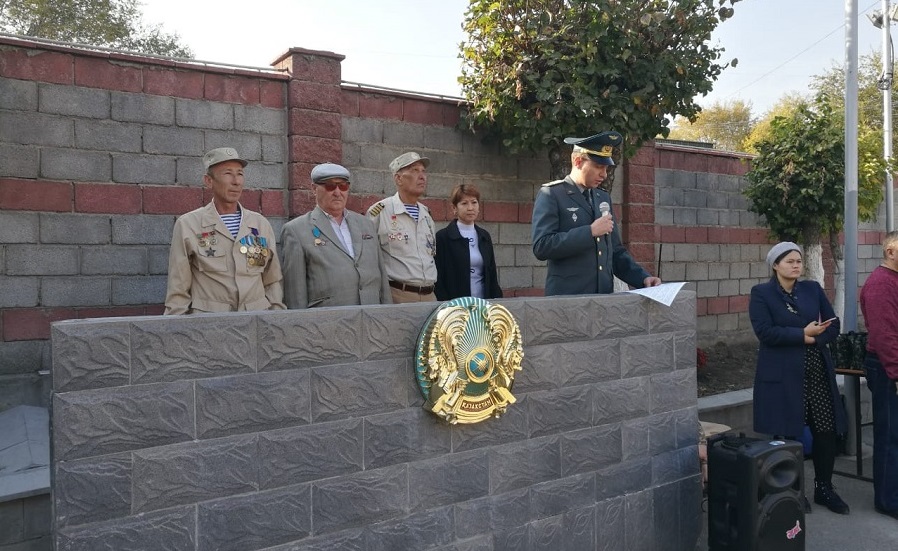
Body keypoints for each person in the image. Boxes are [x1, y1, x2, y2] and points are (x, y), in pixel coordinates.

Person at [749, 241, 849, 514]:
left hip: (816, 369)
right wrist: (803, 336)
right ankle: (792, 491)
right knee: (789, 433)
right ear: (775, 265)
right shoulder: (762, 293)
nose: (796, 265)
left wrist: (815, 340)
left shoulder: (812, 289)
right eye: (790, 261)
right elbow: (765, 332)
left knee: (825, 430)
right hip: (783, 374)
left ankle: (824, 488)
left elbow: (833, 324)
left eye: (799, 261)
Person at [531, 131, 661, 295]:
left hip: (602, 300)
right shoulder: (552, 194)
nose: (604, 174)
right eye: (599, 167)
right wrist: (590, 232)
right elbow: (542, 246)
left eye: (606, 168)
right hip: (567, 301)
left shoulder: (602, 197)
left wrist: (642, 278)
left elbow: (615, 252)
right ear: (578, 161)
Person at [164, 147, 285, 314]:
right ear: (208, 181)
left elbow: (272, 280)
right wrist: (177, 331)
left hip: (256, 320)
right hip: (211, 324)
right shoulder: (189, 225)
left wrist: (276, 317)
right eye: (228, 173)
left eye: (240, 174)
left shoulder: (259, 224)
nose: (236, 181)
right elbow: (178, 288)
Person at [280, 163, 391, 308]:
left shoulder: (366, 225)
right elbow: (295, 296)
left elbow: (382, 278)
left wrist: (388, 313)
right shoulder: (296, 230)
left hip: (372, 317)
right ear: (314, 188)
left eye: (343, 186)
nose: (338, 192)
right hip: (328, 322)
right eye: (330, 186)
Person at [859, 230, 898, 521]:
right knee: (889, 436)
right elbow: (884, 336)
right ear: (891, 251)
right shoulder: (881, 285)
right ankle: (888, 501)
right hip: (888, 369)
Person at [366, 151, 437, 303]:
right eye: (414, 171)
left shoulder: (426, 214)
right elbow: (368, 259)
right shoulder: (380, 211)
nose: (422, 176)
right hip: (398, 295)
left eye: (423, 171)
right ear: (398, 178)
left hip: (430, 296)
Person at [434, 184, 502, 301]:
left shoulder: (484, 236)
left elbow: (492, 275)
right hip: (454, 307)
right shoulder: (443, 237)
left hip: (483, 304)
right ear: (454, 208)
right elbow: (438, 278)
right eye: (464, 203)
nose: (470, 208)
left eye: (474, 202)